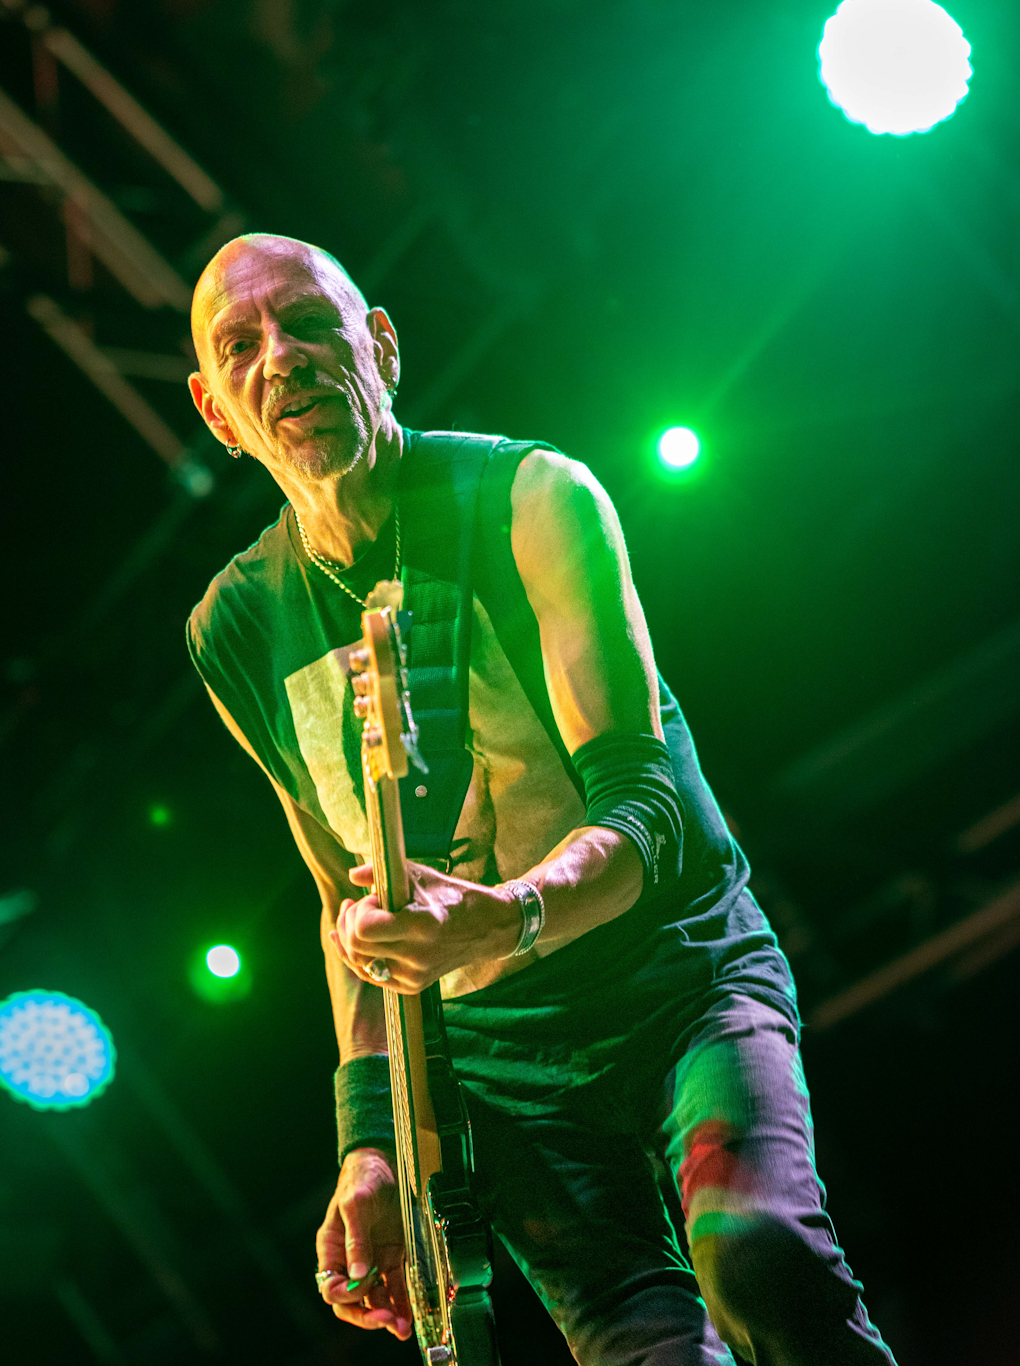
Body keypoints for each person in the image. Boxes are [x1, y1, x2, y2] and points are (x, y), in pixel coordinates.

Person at [185, 232, 896, 1366]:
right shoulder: (235, 625)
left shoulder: (531, 496)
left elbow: (645, 806)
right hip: (495, 1058)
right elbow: (343, 909)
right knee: (642, 1347)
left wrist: (509, 911)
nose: (282, 360)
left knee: (758, 1249)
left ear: (381, 345)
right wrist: (367, 1145)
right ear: (217, 411)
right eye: (241, 346)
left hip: (677, 975)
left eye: (310, 326)